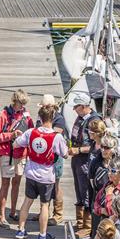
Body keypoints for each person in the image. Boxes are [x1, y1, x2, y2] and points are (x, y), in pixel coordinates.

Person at [13, 104, 68, 239]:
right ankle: (42, 235)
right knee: (45, 205)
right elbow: (65, 154)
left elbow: (16, 144)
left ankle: (20, 230)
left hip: (31, 173)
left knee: (27, 201)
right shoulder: (57, 137)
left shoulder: (31, 132)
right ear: (53, 118)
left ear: (40, 117)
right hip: (46, 176)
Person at [0, 89, 33, 228]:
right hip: (7, 153)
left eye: (24, 104)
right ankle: (2, 216)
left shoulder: (26, 115)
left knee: (16, 183)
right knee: (5, 184)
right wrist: (11, 135)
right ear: (15, 101)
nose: (23, 107)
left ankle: (13, 212)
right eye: (21, 103)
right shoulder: (3, 115)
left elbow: (31, 132)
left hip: (21, 154)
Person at [69, 93, 101, 237]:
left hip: (86, 160)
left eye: (76, 107)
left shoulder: (94, 121)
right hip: (77, 158)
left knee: (86, 191)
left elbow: (96, 145)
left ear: (83, 106)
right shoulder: (81, 118)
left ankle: (87, 226)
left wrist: (79, 150)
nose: (74, 109)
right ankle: (80, 221)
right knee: (79, 189)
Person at [38, 94, 67, 225]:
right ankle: (44, 211)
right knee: (43, 184)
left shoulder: (59, 119)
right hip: (43, 156)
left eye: (45, 107)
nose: (44, 109)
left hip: (55, 157)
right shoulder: (41, 117)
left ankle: (58, 214)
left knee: (56, 184)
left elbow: (54, 136)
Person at [91, 148, 120, 234]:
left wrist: (109, 195)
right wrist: (101, 210)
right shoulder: (108, 184)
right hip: (103, 223)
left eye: (113, 171)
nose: (109, 173)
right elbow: (96, 203)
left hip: (116, 229)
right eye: (108, 170)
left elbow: (113, 211)